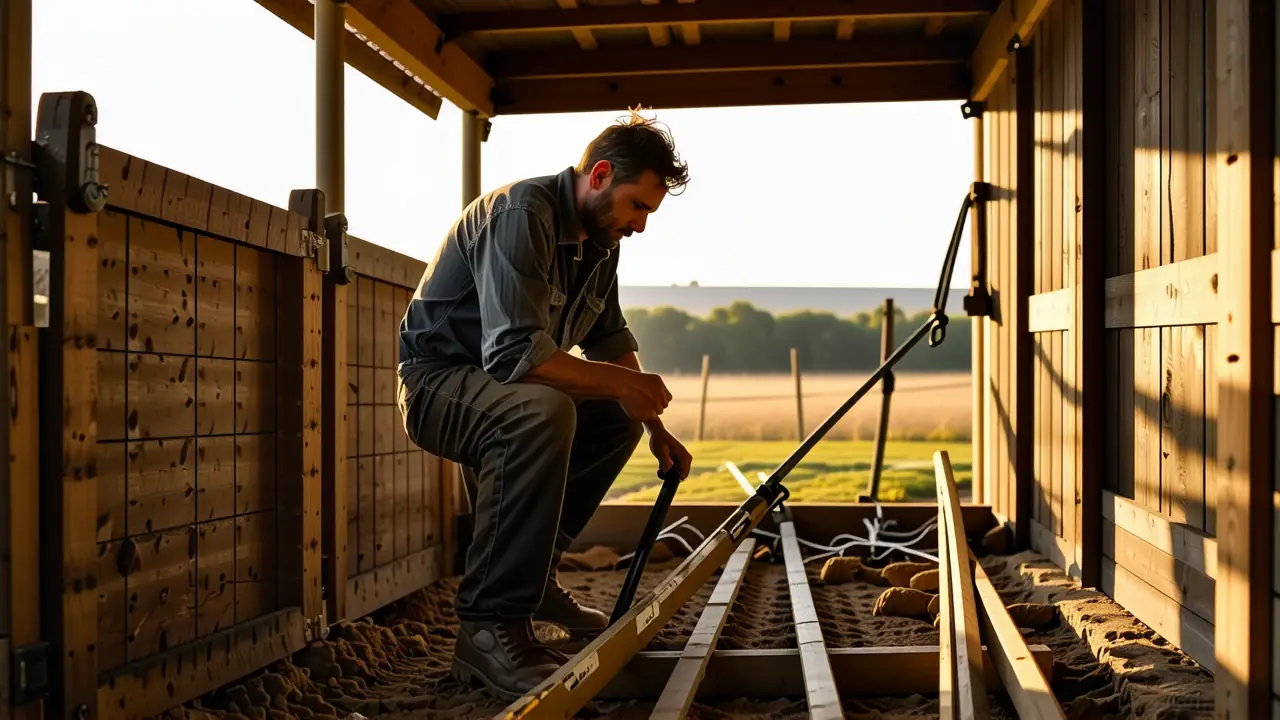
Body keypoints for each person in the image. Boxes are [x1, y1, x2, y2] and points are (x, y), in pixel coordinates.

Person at [396, 110, 695, 701]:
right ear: (601, 174)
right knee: (543, 410)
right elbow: (514, 356)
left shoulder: (600, 244)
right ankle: (489, 628)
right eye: (638, 206)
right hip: (438, 385)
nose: (640, 226)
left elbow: (608, 340)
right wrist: (621, 384)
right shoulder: (522, 213)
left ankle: (535, 580)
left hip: (506, 391)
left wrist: (654, 425)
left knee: (615, 416)